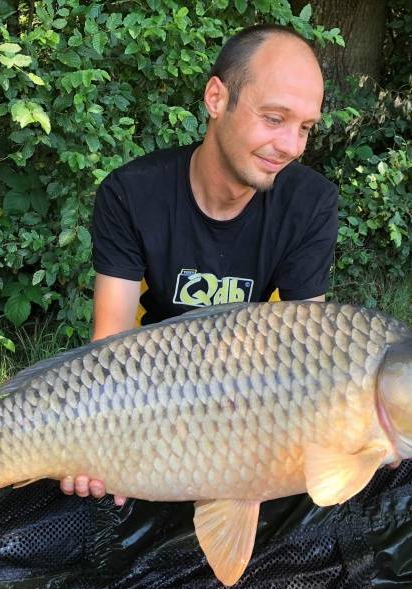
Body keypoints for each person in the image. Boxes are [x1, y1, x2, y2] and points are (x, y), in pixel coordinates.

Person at [60, 24, 338, 505]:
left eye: (305, 128)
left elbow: (306, 358)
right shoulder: (132, 193)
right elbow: (108, 353)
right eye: (274, 118)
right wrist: (97, 443)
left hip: (257, 400)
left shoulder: (309, 203)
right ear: (216, 98)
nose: (291, 146)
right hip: (145, 396)